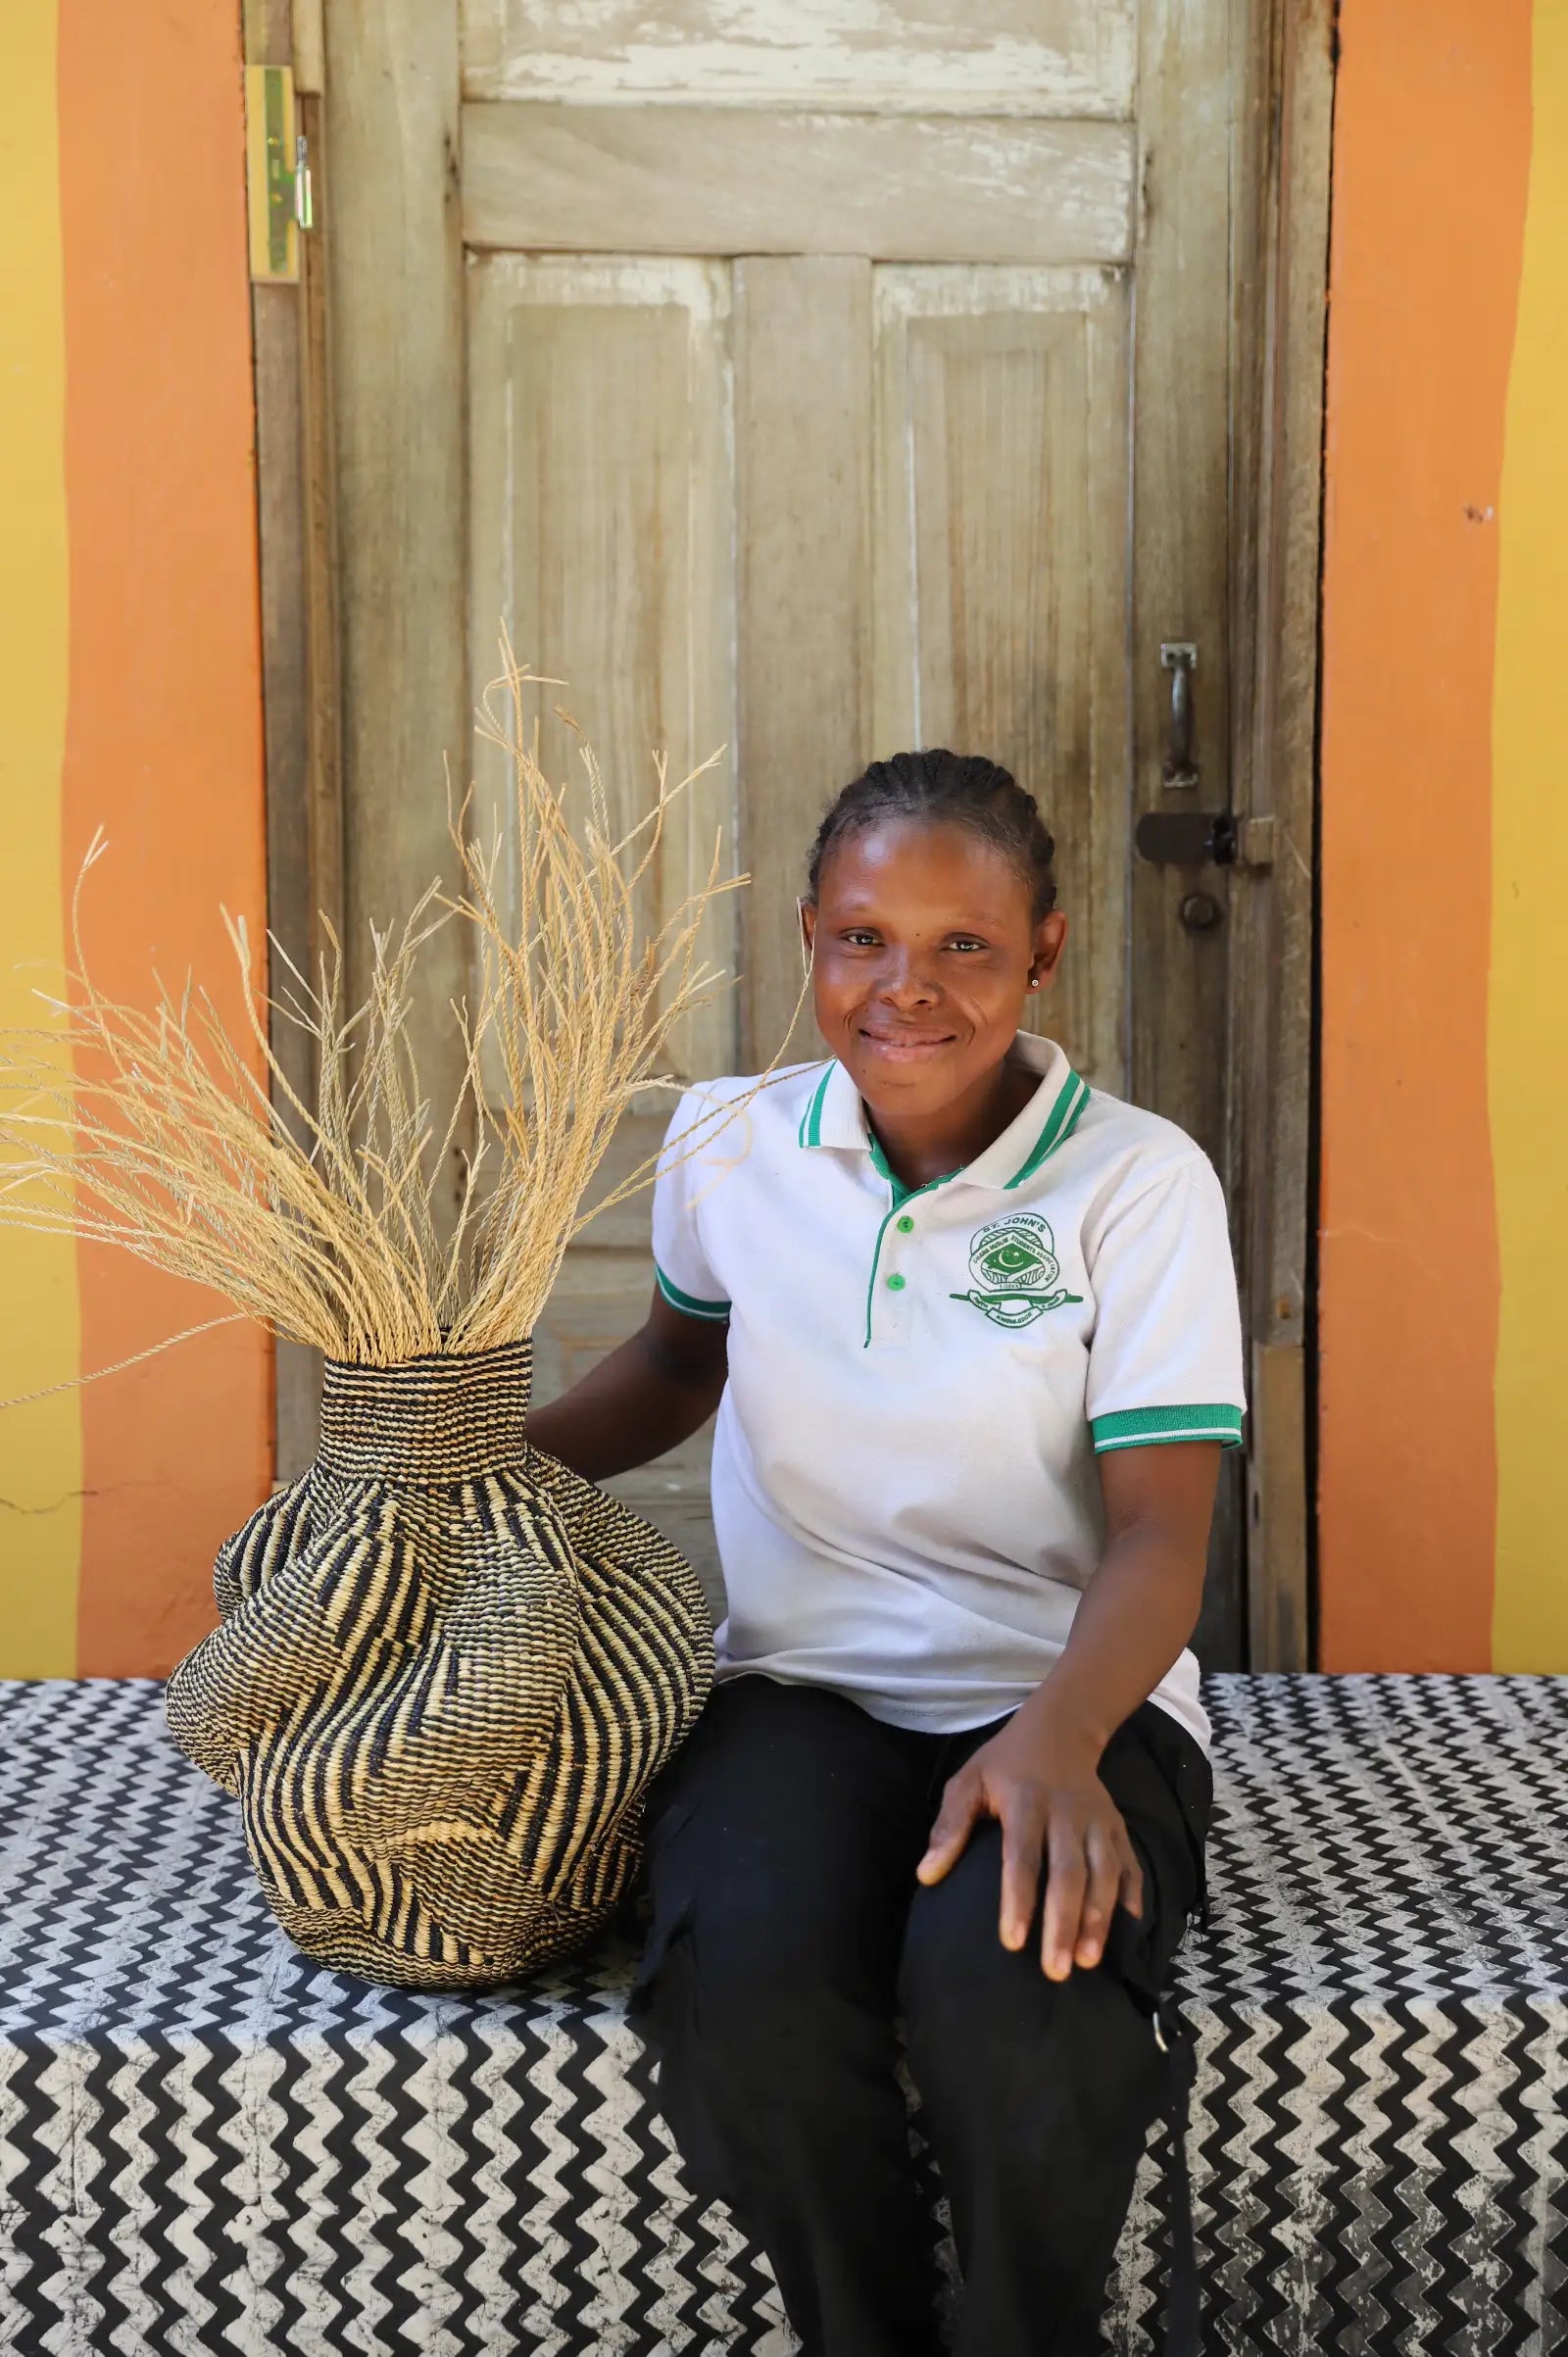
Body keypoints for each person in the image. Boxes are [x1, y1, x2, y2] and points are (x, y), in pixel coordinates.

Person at [527, 749, 1245, 2357]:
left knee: (1017, 2008)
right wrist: (460, 1479)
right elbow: (676, 1365)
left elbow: (1160, 1530)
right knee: (742, 2008)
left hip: (1071, 1692)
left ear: (1045, 950)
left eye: (965, 947)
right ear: (807, 937)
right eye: (863, 938)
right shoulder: (728, 1146)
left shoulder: (1133, 1182)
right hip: (800, 1689)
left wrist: (1058, 1741)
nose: (904, 988)